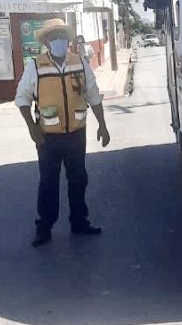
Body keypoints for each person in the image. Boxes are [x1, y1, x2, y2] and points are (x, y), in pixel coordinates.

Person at [14, 18, 110, 247]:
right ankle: (44, 228)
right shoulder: (35, 67)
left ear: (68, 40)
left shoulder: (80, 63)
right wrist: (32, 128)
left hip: (76, 134)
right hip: (48, 137)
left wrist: (103, 125)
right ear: (47, 41)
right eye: (53, 36)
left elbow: (93, 95)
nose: (59, 40)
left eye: (62, 36)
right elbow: (22, 99)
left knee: (78, 179)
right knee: (48, 182)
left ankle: (79, 221)